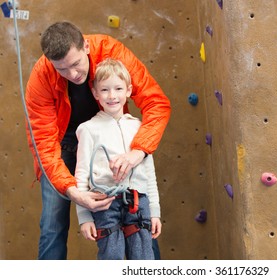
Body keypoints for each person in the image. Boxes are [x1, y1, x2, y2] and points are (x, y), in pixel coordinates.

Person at [25, 21, 170, 259]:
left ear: (87, 47)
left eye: (76, 64)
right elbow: (44, 143)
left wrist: (138, 151)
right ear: (51, 63)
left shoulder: (112, 52)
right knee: (52, 224)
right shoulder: (41, 76)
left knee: (138, 216)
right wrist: (73, 192)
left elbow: (156, 103)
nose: (72, 75)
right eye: (62, 69)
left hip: (112, 141)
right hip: (63, 147)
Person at [75, 58, 161, 260]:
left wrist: (155, 211)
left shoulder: (139, 128)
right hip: (105, 202)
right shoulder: (88, 129)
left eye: (118, 88)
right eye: (104, 90)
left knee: (143, 257)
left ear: (129, 90)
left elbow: (149, 173)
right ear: (95, 93)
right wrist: (84, 216)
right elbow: (81, 175)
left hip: (139, 203)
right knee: (111, 256)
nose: (112, 96)